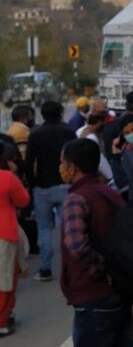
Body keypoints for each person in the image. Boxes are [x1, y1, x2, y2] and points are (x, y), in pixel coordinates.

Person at [59, 139, 133, 347]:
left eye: (62, 163)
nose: (61, 168)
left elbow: (77, 245)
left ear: (73, 167)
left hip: (92, 295)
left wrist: (101, 271)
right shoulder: (110, 193)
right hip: (120, 291)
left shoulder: (76, 198)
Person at [24, 101, 76, 282]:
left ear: (42, 115)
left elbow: (29, 162)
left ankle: (45, 269)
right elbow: (75, 155)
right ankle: (72, 268)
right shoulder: (68, 131)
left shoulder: (36, 133)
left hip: (43, 187)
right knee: (68, 227)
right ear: (61, 112)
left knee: (44, 229)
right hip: (65, 184)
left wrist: (32, 184)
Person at [0, 143, 30, 337]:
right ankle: (2, 319)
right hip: (4, 232)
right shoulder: (7, 178)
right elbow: (23, 200)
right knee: (4, 278)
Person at [77, 114, 114, 185]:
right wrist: (110, 175)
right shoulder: (92, 137)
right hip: (93, 169)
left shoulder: (80, 130)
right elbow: (99, 158)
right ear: (96, 124)